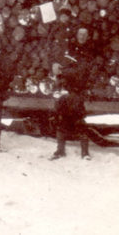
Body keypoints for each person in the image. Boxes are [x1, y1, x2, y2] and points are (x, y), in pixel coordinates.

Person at [49, 27, 92, 161]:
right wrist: (57, 67)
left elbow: (82, 70)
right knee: (61, 119)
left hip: (77, 90)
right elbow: (61, 64)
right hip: (65, 90)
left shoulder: (88, 52)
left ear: (88, 36)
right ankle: (60, 150)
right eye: (80, 33)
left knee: (79, 121)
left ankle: (85, 152)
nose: (82, 36)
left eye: (85, 34)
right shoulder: (70, 48)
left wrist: (63, 71)